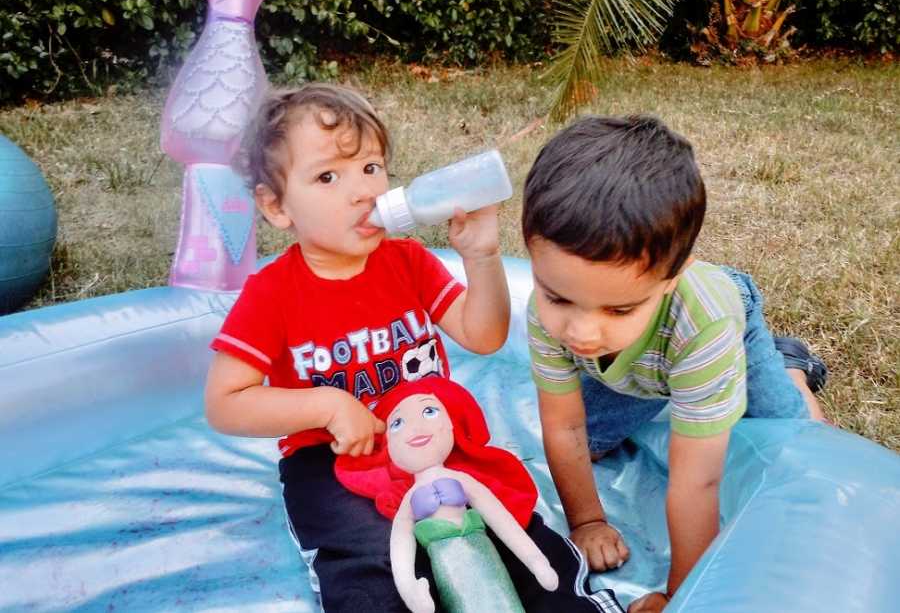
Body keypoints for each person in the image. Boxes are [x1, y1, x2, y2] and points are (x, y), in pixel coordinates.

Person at [204, 82, 511, 611]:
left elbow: (484, 336)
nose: (363, 192)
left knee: (509, 526)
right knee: (369, 563)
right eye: (328, 176)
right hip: (331, 461)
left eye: (371, 167)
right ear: (276, 206)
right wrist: (325, 405)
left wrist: (482, 257)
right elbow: (224, 403)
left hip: (430, 441)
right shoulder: (273, 293)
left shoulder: (408, 261)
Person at [521, 115, 828, 612]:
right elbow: (565, 428)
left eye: (618, 309)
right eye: (558, 298)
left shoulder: (704, 328)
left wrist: (681, 595)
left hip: (721, 331)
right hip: (638, 366)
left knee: (797, 435)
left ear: (669, 280)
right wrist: (587, 521)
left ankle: (792, 365)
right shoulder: (549, 311)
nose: (581, 331)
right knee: (592, 445)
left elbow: (697, 481)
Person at [335, 377, 625, 613]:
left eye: (429, 412)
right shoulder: (407, 499)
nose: (416, 428)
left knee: (504, 591)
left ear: (452, 423)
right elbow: (400, 542)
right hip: (445, 561)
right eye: (397, 423)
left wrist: (536, 561)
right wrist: (411, 589)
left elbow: (500, 517)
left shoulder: (463, 480)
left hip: (480, 547)